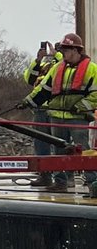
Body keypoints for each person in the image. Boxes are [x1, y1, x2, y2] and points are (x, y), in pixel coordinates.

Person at [26, 33, 97, 194]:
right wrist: (28, 101)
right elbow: (43, 89)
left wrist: (80, 106)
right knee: (58, 150)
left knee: (83, 151)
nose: (63, 53)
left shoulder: (92, 69)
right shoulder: (58, 68)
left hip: (78, 118)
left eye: (66, 49)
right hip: (57, 116)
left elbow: (96, 95)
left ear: (76, 50)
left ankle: (93, 181)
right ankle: (60, 181)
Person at [23, 40, 61, 187]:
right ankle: (44, 175)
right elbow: (29, 79)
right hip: (40, 108)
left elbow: (60, 72)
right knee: (41, 143)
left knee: (59, 144)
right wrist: (38, 60)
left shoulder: (62, 62)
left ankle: (63, 177)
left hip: (55, 108)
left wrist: (55, 54)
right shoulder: (43, 64)